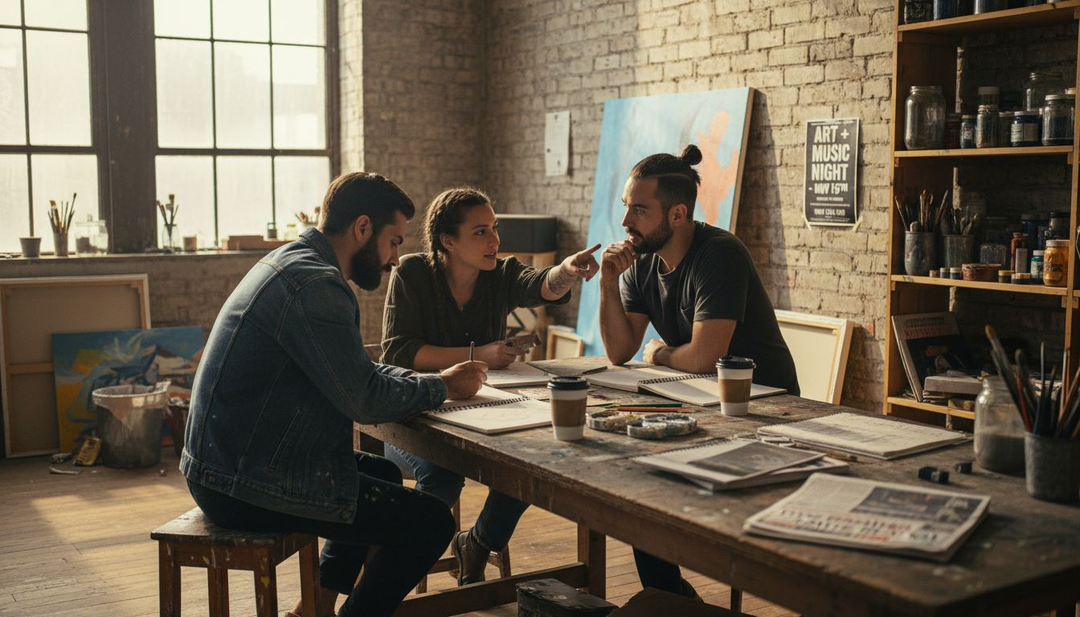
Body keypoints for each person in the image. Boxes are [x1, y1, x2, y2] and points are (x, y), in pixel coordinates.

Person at [181, 172, 488, 617]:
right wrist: (443, 385)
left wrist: (424, 379)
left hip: (224, 463)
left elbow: (352, 372)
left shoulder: (293, 261)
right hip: (239, 482)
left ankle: (314, 608)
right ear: (362, 228)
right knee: (430, 523)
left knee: (381, 473)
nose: (395, 259)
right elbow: (362, 399)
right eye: (393, 241)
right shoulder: (316, 286)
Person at [598, 145, 799, 597]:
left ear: (677, 214)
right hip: (699, 402)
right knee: (633, 477)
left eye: (639, 210)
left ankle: (672, 598)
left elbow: (706, 358)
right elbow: (619, 350)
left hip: (767, 408)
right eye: (626, 208)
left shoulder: (719, 254)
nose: (627, 221)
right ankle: (671, 598)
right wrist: (608, 282)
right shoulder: (640, 261)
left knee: (646, 476)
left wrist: (660, 355)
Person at [381, 187, 600, 584]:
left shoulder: (501, 272)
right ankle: (394, 573)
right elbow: (399, 353)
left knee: (529, 463)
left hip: (480, 410)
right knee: (443, 477)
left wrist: (568, 269)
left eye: (495, 229)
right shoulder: (412, 273)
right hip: (410, 418)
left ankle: (478, 543)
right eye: (481, 232)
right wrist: (479, 352)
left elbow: (544, 286)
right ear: (448, 241)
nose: (495, 241)